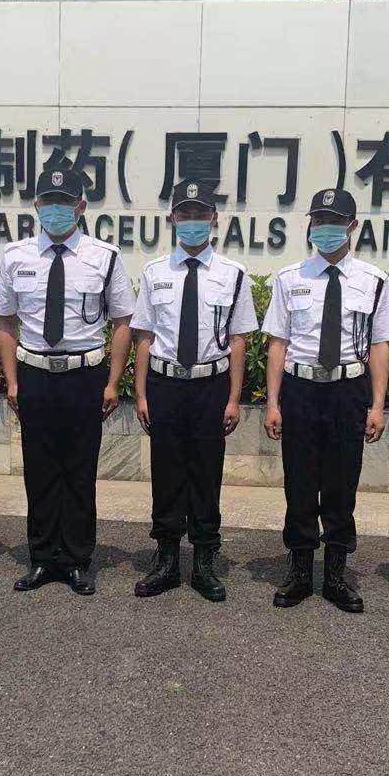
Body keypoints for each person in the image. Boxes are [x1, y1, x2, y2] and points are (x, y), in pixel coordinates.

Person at [0, 166, 135, 595]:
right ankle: (42, 558)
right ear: (36, 206)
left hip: (83, 376)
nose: (55, 209)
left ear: (81, 206)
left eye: (64, 202)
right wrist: (12, 380)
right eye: (47, 201)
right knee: (38, 471)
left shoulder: (104, 257)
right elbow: (4, 321)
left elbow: (123, 322)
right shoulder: (16, 255)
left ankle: (75, 559)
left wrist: (112, 382)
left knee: (78, 470)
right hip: (35, 374)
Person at [261, 187, 389, 612]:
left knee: (342, 484)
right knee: (300, 483)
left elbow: (379, 345)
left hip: (348, 390)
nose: (325, 228)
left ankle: (337, 574)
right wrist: (273, 403)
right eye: (319, 220)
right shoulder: (290, 278)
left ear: (352, 226)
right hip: (301, 389)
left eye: (335, 222)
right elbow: (277, 344)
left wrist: (377, 405)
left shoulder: (374, 281)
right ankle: (301, 572)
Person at [131, 179, 258, 601]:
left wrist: (234, 398)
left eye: (200, 213)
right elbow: (145, 336)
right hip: (165, 384)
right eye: (184, 213)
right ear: (171, 218)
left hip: (211, 386)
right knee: (166, 473)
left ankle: (204, 561)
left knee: (206, 473)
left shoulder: (233, 275)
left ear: (214, 219)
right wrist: (142, 394)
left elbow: (238, 339)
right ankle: (167, 560)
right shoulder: (154, 272)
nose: (192, 221)